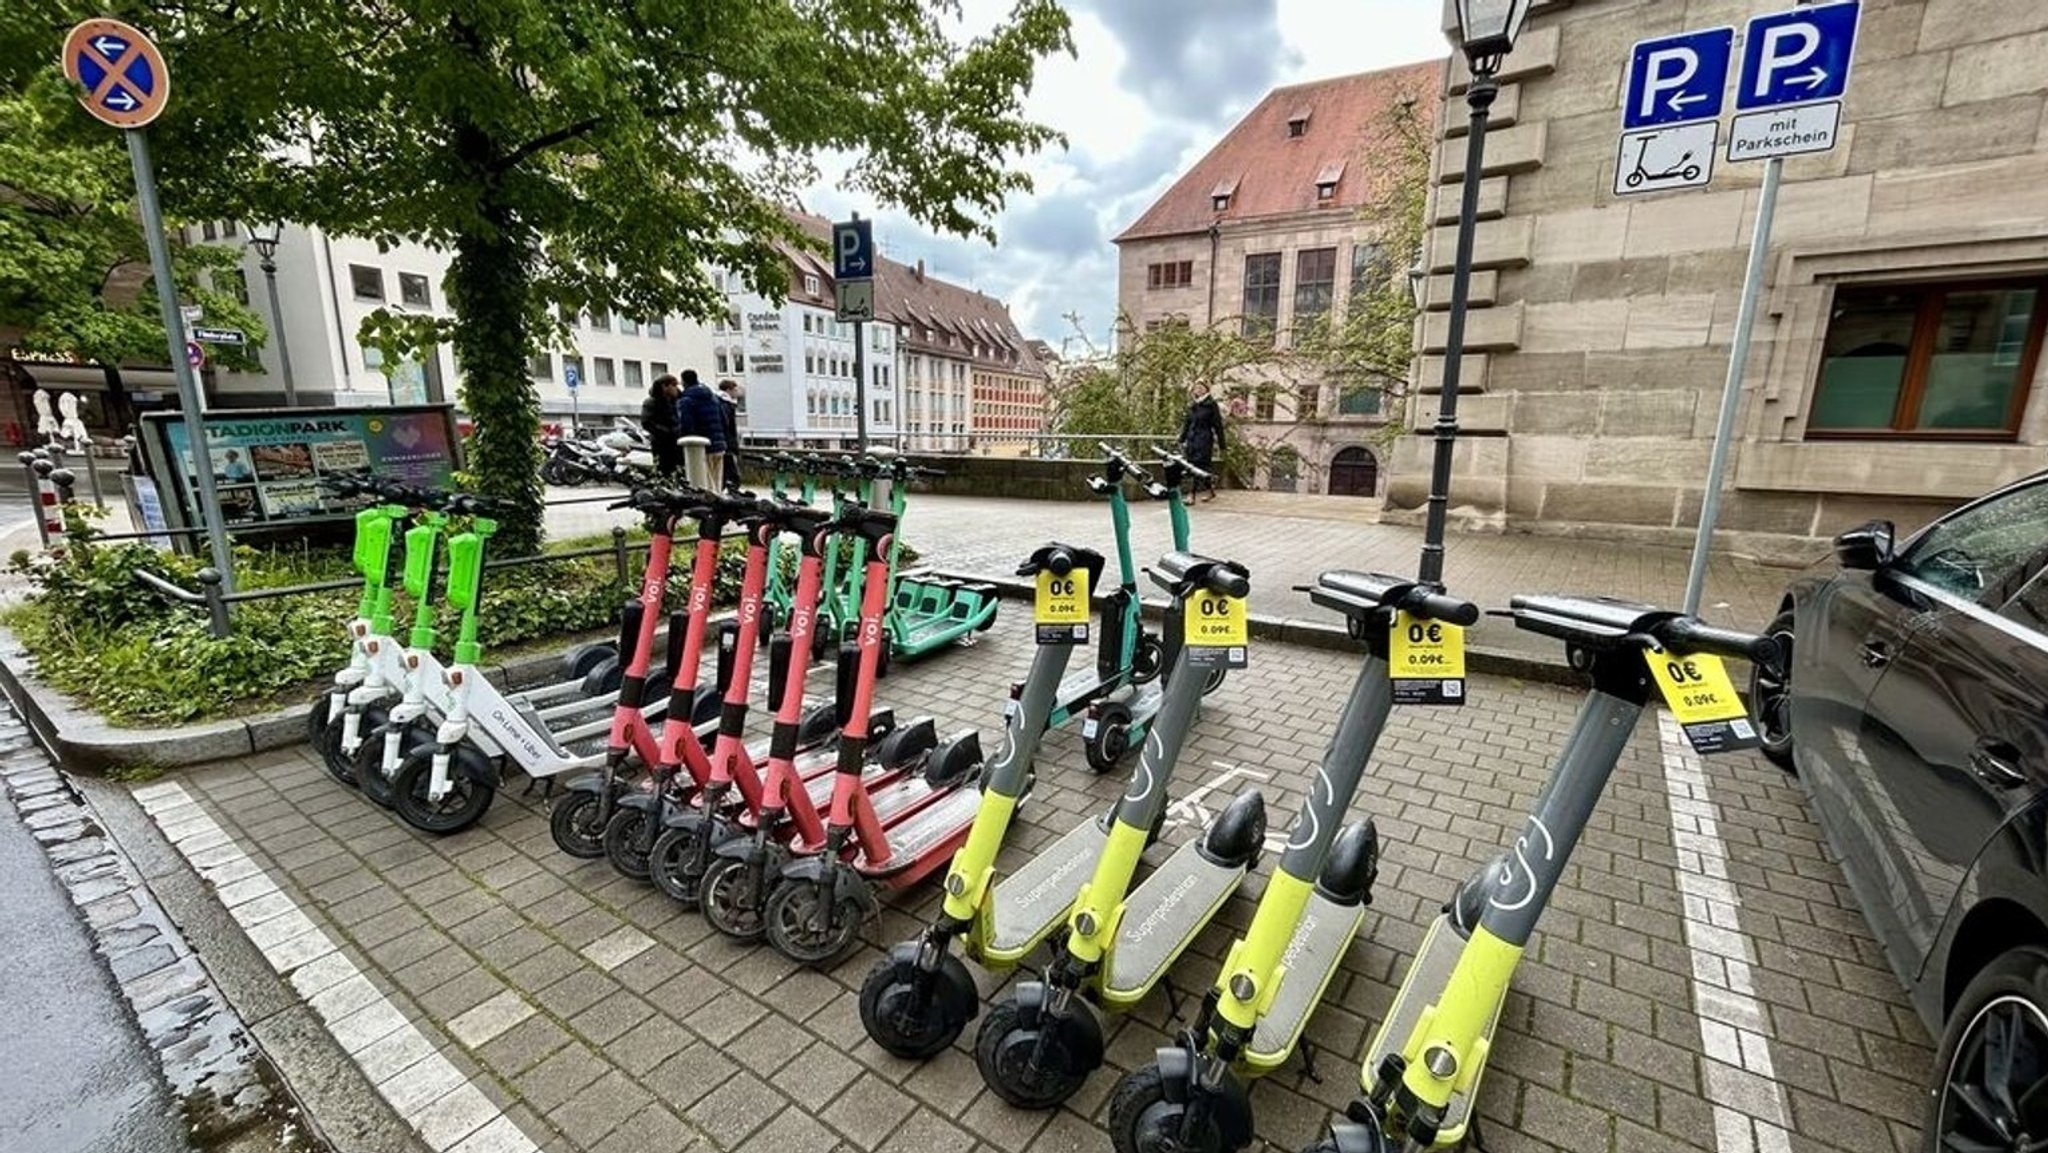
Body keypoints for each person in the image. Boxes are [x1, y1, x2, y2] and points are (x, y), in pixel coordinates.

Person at [674, 368, 727, 487]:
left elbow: (687, 424)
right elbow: (724, 419)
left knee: (706, 482)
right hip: (720, 444)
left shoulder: (686, 400)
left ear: (683, 382)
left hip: (701, 445)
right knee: (717, 481)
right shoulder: (713, 397)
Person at [1177, 382, 1225, 502]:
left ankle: (1191, 495)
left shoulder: (1211, 405)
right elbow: (1187, 423)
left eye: (1200, 388)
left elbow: (1218, 426)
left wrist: (1222, 444)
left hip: (1204, 440)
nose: (1197, 390)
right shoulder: (1193, 404)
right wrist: (1181, 439)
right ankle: (1210, 491)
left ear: (1206, 390)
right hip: (1192, 439)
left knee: (1196, 466)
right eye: (1196, 388)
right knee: (1200, 468)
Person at [643, 373, 683, 476]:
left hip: (677, 443)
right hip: (661, 444)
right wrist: (666, 432)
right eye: (673, 385)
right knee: (664, 471)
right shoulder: (651, 402)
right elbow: (647, 423)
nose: (676, 388)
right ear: (664, 386)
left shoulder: (676, 401)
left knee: (679, 471)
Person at [715, 378, 744, 491]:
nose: (737, 392)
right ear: (729, 390)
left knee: (724, 475)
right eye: (735, 389)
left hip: (724, 444)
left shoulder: (721, 403)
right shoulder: (726, 405)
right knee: (732, 476)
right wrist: (732, 446)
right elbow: (729, 427)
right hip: (727, 445)